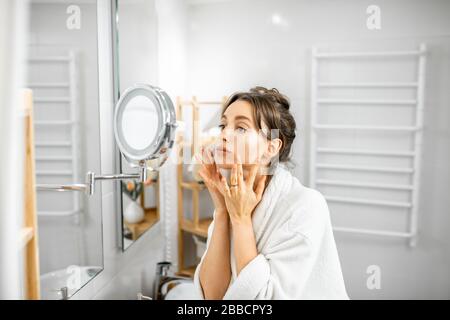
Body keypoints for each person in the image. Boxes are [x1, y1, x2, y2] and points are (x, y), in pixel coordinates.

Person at [192, 86, 349, 299]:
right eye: (223, 125)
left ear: (271, 148)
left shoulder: (307, 206)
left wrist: (240, 219)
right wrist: (221, 211)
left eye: (240, 128)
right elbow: (212, 296)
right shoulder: (232, 197)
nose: (224, 135)